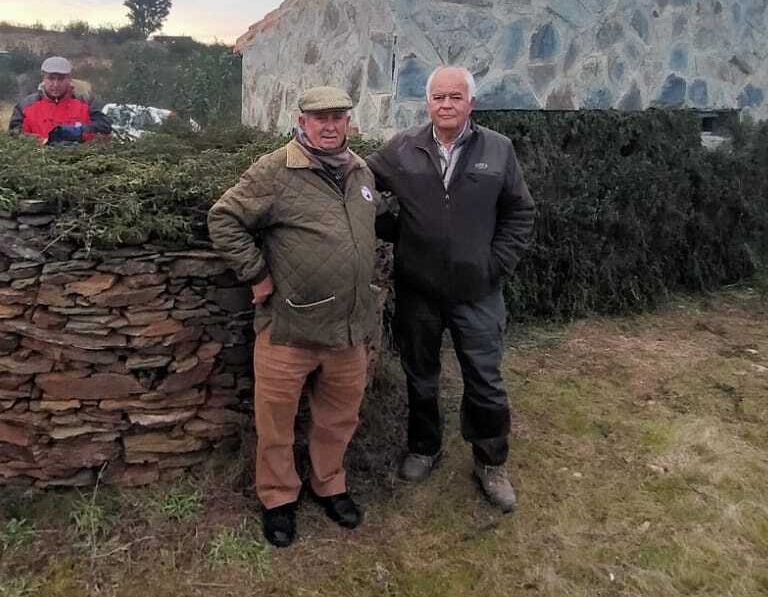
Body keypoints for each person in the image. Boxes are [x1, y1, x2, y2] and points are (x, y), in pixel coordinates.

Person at [207, 86, 381, 548]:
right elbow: (223, 218)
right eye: (319, 118)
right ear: (302, 122)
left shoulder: (361, 171)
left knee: (338, 419)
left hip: (348, 330)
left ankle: (330, 485)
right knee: (276, 424)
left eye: (338, 117)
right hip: (289, 329)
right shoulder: (276, 170)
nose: (329, 126)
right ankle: (278, 498)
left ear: (348, 122)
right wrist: (256, 275)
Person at [366, 65, 535, 513]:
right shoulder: (403, 148)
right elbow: (360, 186)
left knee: (485, 380)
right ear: (428, 103)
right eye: (438, 97)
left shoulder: (497, 150)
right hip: (418, 290)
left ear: (470, 104)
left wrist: (495, 266)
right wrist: (394, 230)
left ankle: (490, 462)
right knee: (421, 375)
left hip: (477, 291)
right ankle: (424, 448)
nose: (446, 105)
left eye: (455, 97)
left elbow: (520, 212)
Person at [8, 56, 112, 144]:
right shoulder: (26, 105)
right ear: (43, 78)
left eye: (61, 79)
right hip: (38, 159)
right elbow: (14, 135)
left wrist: (80, 132)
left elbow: (104, 127)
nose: (56, 84)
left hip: (81, 158)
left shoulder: (86, 101)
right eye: (51, 78)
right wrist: (41, 141)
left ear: (69, 79)